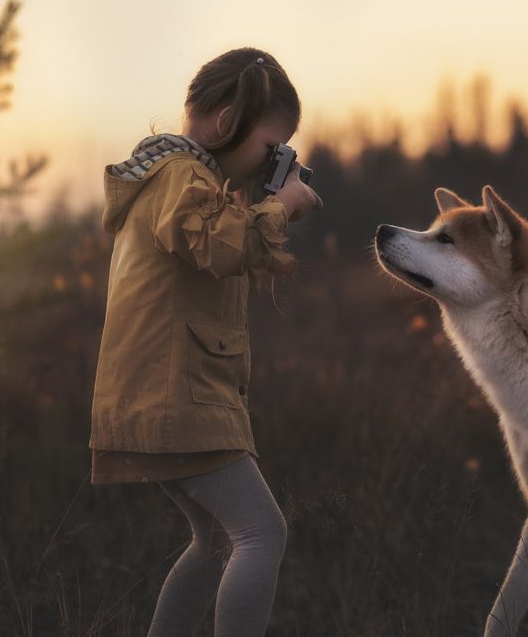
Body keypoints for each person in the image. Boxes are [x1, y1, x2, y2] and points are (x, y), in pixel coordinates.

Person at [88, 47, 322, 636]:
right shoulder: (179, 178)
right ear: (224, 122)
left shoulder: (189, 181)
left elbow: (230, 248)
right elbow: (220, 246)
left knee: (217, 539)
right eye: (271, 149)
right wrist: (280, 207)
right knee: (261, 534)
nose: (274, 161)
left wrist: (265, 205)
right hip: (177, 397)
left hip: (172, 393)